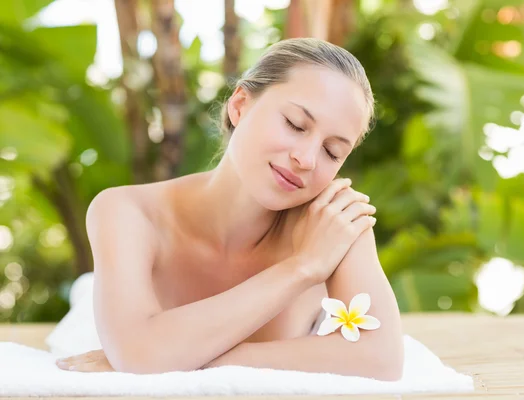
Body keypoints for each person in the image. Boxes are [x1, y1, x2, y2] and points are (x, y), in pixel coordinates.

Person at [54, 38, 404, 381]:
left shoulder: (334, 222)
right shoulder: (127, 211)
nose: (306, 159)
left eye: (332, 152)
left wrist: (190, 357)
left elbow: (381, 359)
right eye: (295, 125)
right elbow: (139, 352)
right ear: (240, 105)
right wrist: (302, 268)